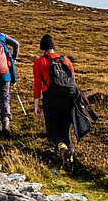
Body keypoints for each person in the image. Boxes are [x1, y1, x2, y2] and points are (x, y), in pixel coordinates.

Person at [33, 34, 78, 168]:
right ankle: (71, 161)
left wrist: (36, 105)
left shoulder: (39, 62)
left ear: (42, 48)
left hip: (51, 99)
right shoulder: (66, 60)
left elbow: (37, 85)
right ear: (53, 46)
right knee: (65, 131)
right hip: (68, 99)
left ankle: (62, 149)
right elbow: (73, 81)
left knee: (53, 132)